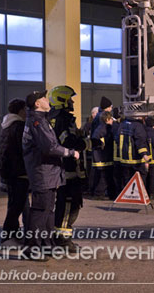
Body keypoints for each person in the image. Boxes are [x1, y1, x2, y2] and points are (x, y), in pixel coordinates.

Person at [22, 90, 80, 258]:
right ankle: (32, 249)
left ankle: (48, 246)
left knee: (48, 212)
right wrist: (70, 152)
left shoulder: (41, 120)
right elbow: (49, 147)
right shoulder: (37, 122)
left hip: (49, 173)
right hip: (43, 173)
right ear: (37, 104)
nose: (47, 100)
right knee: (40, 212)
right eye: (43, 98)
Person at [47, 85, 86, 252]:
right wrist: (87, 143)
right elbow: (68, 142)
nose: (72, 102)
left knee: (71, 204)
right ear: (62, 100)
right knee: (67, 205)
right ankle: (61, 240)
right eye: (69, 99)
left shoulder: (60, 118)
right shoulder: (62, 119)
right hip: (67, 170)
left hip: (68, 168)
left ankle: (64, 238)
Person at [0, 98, 29, 244]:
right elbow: (24, 149)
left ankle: (14, 233)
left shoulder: (7, 125)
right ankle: (8, 235)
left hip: (10, 171)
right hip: (19, 171)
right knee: (16, 205)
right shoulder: (19, 126)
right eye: (25, 109)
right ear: (21, 110)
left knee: (15, 203)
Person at [90, 111, 115, 200]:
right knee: (103, 177)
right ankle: (98, 194)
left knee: (107, 176)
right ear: (107, 119)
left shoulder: (103, 128)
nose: (112, 120)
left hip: (104, 156)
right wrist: (102, 144)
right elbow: (95, 140)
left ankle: (110, 193)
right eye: (111, 118)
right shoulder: (102, 129)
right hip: (102, 157)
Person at [117, 117, 149, 186]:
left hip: (124, 159)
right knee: (140, 181)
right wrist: (144, 154)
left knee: (127, 181)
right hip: (136, 160)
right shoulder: (138, 126)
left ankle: (127, 196)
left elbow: (117, 139)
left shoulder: (122, 124)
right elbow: (140, 141)